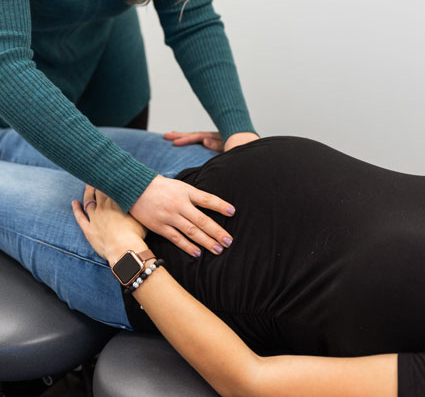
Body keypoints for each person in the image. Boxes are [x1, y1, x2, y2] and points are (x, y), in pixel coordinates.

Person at [1, 128, 425, 396]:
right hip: (200, 171)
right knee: (13, 136)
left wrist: (127, 255)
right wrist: (241, 141)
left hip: (166, 257)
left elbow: (252, 381)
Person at [0, 0, 259, 260]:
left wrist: (240, 134)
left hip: (106, 69)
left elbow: (191, 17)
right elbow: (5, 67)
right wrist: (136, 186)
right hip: (10, 79)